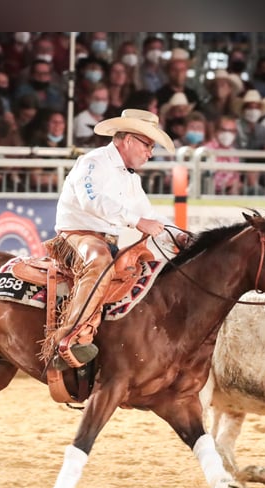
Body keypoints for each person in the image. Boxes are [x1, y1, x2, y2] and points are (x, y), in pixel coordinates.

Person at [44, 108, 183, 371]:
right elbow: (92, 200)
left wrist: (181, 236)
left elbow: (150, 215)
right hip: (76, 236)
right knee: (99, 263)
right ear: (129, 139)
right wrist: (138, 221)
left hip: (106, 240)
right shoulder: (93, 162)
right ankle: (68, 340)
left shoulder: (130, 179)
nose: (150, 153)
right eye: (147, 145)